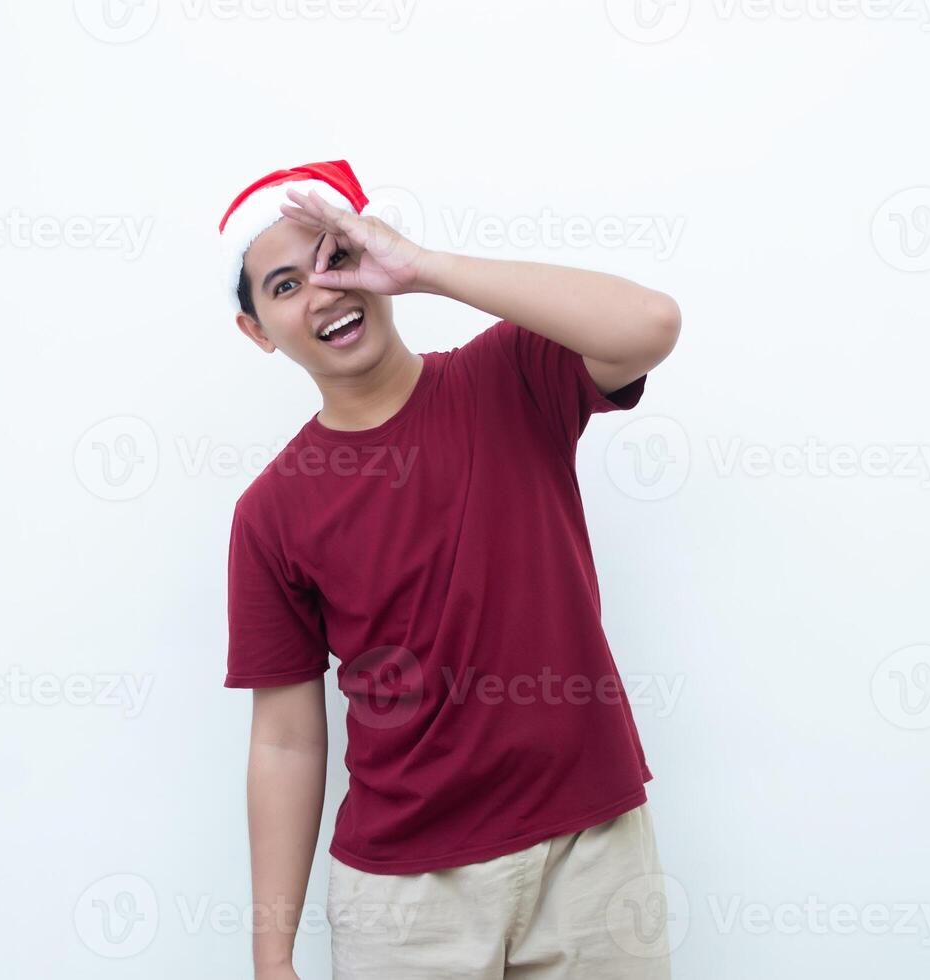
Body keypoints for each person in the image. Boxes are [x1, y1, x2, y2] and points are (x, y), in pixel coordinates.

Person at [220, 159, 681, 979]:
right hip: (405, 898)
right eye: (284, 287)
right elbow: (287, 741)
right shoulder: (271, 512)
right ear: (257, 330)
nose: (322, 293)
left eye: (335, 257)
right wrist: (271, 957)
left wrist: (423, 266)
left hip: (592, 852)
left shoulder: (507, 377)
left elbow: (649, 323)